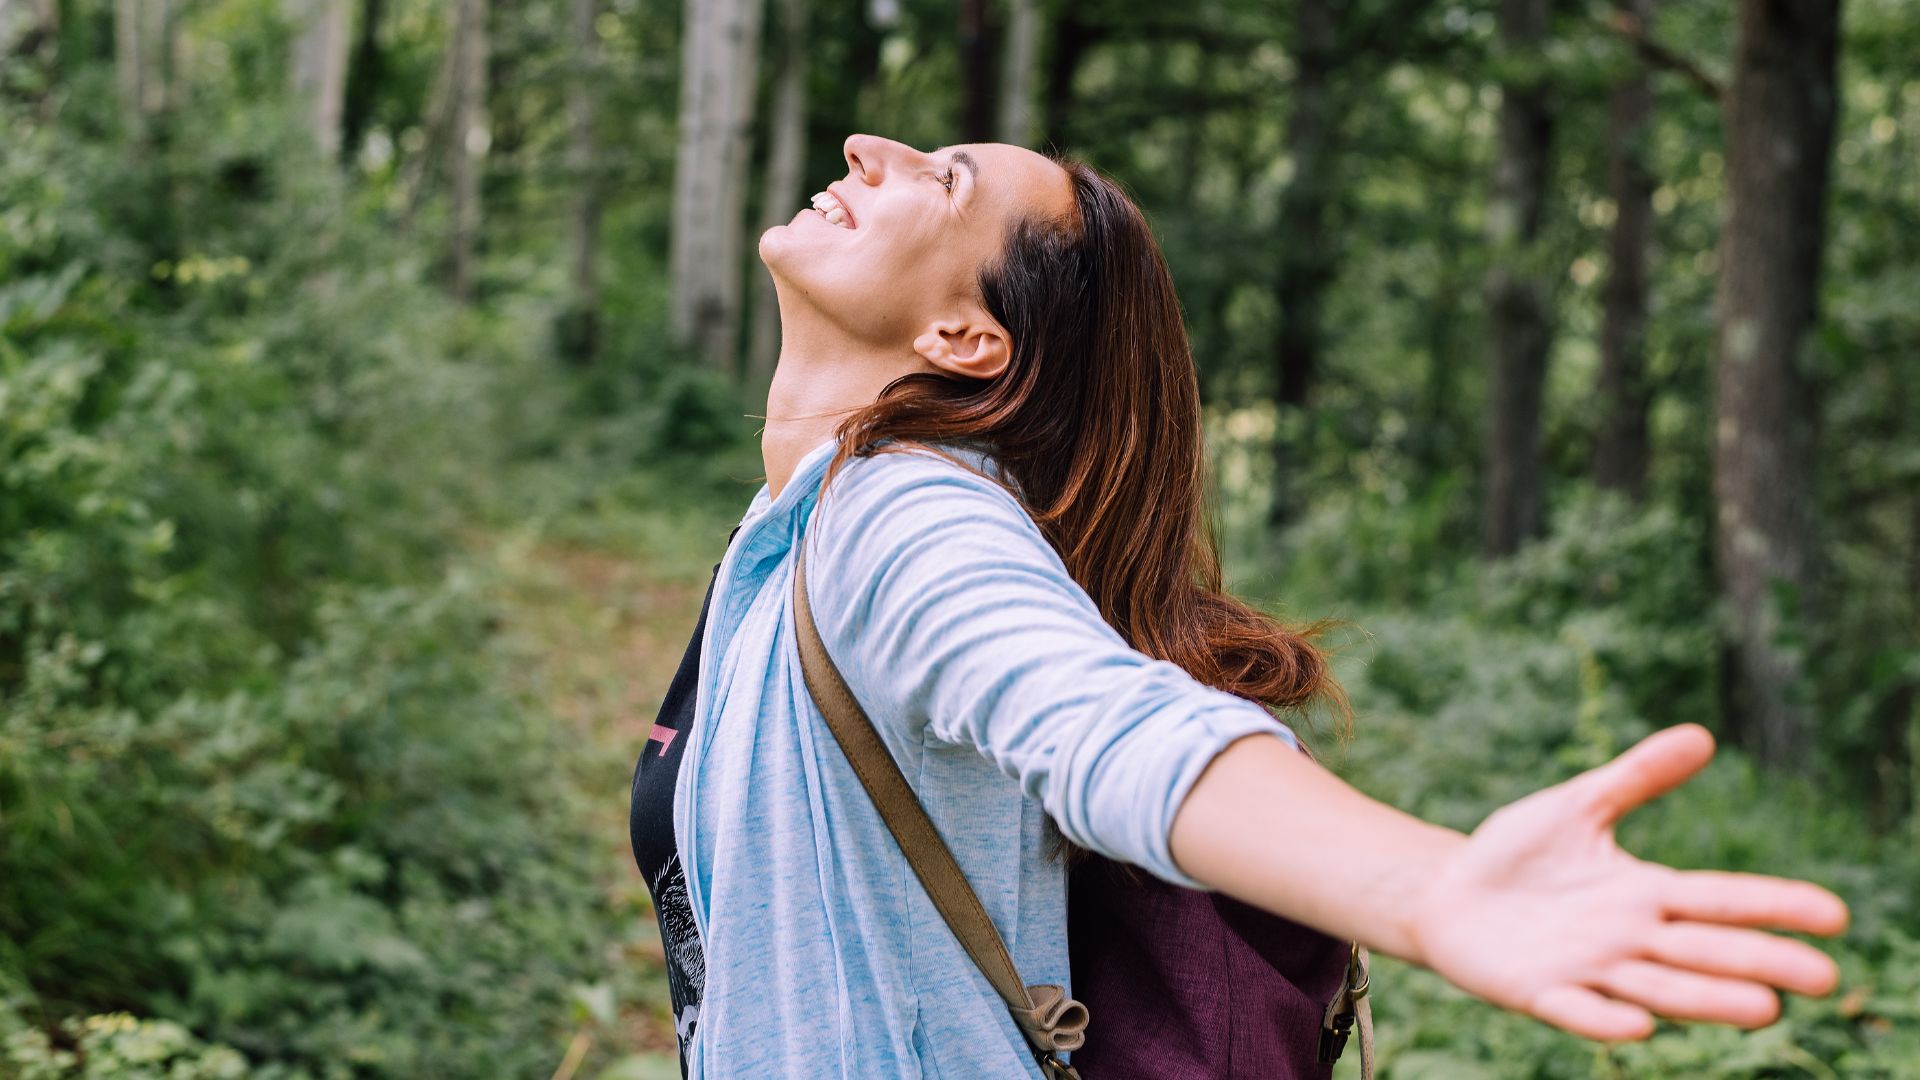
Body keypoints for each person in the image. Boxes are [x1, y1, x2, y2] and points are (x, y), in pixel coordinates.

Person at [628, 134, 1850, 1079]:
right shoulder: (787, 525)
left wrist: (1427, 887)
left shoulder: (901, 516)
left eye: (940, 180)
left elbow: (1107, 724)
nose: (868, 149)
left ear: (966, 337)